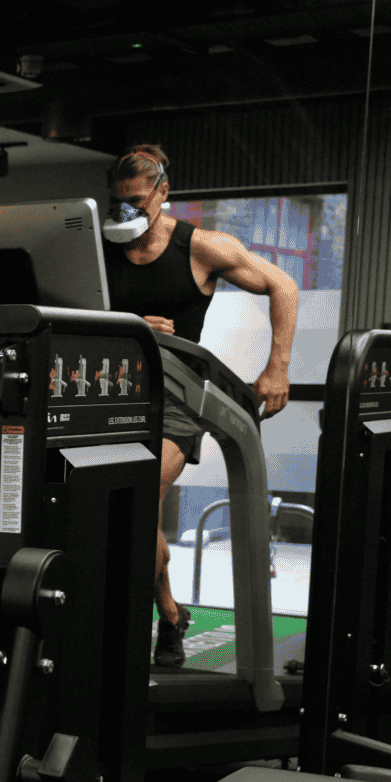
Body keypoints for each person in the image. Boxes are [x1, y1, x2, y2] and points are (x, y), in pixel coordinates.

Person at [102, 144, 299, 667]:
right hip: (109, 395)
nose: (127, 214)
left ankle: (151, 620)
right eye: (119, 203)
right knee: (120, 517)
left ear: (164, 195)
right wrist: (131, 326)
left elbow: (283, 285)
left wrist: (276, 368)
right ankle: (169, 613)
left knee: (137, 501)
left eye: (138, 202)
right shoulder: (97, 251)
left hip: (175, 398)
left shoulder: (201, 247)